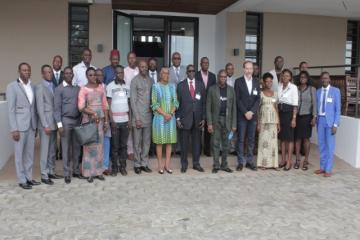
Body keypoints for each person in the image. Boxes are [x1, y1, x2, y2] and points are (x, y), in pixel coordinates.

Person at [6, 63, 39, 189]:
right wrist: (14, 129)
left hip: (31, 125)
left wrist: (35, 125)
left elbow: (33, 107)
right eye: (24, 70)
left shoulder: (32, 86)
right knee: (19, 154)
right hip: (19, 126)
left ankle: (29, 178)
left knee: (29, 154)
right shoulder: (12, 86)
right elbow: (11, 109)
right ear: (19, 71)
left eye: (28, 70)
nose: (27, 72)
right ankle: (21, 180)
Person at [78, 67, 109, 183]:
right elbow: (81, 107)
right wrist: (93, 113)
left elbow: (105, 105)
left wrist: (106, 121)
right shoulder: (83, 89)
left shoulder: (101, 88)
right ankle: (89, 173)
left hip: (100, 122)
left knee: (100, 147)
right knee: (89, 148)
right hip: (89, 122)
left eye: (94, 75)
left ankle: (99, 172)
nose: (93, 77)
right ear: (87, 76)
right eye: (90, 75)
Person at [54, 67, 82, 184]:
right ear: (63, 75)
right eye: (66, 73)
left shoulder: (77, 88)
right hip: (65, 121)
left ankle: (76, 170)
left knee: (76, 148)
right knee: (65, 148)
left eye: (71, 73)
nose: (69, 75)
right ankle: (67, 173)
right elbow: (56, 109)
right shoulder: (59, 89)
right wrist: (59, 125)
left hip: (77, 121)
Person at [176, 64, 206, 173]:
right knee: (184, 144)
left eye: (193, 71)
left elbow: (204, 103)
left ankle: (196, 164)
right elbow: (177, 104)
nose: (191, 72)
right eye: (189, 71)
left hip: (197, 119)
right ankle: (184, 164)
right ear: (186, 73)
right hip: (185, 119)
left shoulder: (201, 85)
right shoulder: (180, 86)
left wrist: (203, 118)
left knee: (196, 143)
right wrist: (178, 118)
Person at [36, 64, 62, 185]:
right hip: (45, 124)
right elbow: (40, 108)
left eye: (50, 72)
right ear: (42, 74)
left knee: (52, 150)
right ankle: (44, 174)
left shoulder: (54, 86)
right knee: (45, 150)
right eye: (46, 72)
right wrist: (45, 124)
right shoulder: (40, 87)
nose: (49, 74)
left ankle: (51, 171)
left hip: (54, 123)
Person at [206, 69, 237, 173]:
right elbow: (208, 107)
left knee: (227, 144)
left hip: (228, 121)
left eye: (224, 77)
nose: (223, 78)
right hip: (216, 120)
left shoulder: (231, 90)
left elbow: (234, 109)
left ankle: (224, 164)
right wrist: (209, 123)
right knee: (215, 143)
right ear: (218, 77)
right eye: (221, 77)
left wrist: (234, 124)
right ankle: (216, 165)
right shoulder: (212, 89)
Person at [151, 68, 178, 174]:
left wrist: (170, 114)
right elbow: (154, 103)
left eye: (168, 73)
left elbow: (175, 102)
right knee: (159, 142)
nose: (167, 75)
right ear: (160, 75)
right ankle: (160, 166)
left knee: (169, 142)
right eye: (165, 73)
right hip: (159, 118)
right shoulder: (155, 86)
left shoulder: (172, 86)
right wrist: (164, 114)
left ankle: (167, 165)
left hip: (170, 118)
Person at [234, 61, 260, 171]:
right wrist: (245, 112)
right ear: (244, 69)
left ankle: (249, 161)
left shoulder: (256, 82)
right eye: (247, 68)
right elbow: (237, 99)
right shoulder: (238, 82)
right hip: (242, 115)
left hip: (252, 116)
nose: (249, 71)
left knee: (251, 139)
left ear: (253, 70)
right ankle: (240, 162)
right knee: (240, 139)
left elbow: (258, 99)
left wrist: (252, 112)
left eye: (251, 69)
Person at [315, 72, 341, 177]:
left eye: (326, 78)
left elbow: (337, 109)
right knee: (321, 145)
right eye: (322, 78)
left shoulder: (335, 91)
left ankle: (328, 169)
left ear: (329, 79)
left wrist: (335, 124)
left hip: (330, 122)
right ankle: (322, 167)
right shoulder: (318, 91)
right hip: (320, 120)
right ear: (321, 80)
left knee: (330, 146)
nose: (324, 80)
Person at [106, 65, 130, 177]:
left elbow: (128, 103)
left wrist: (130, 119)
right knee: (115, 146)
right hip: (115, 121)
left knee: (123, 146)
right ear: (115, 74)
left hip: (125, 120)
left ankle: (123, 167)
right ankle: (114, 168)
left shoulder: (127, 86)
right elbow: (108, 105)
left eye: (122, 73)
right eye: (119, 73)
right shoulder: (110, 86)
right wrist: (112, 121)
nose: (121, 74)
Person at [130, 60, 153, 174]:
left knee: (146, 142)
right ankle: (137, 164)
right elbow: (133, 101)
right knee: (137, 142)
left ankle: (144, 163)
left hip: (148, 116)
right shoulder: (134, 81)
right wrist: (137, 118)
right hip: (138, 117)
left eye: (145, 67)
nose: (144, 68)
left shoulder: (151, 80)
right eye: (142, 67)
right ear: (138, 68)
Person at [256, 73, 280, 169]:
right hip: (263, 121)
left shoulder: (275, 94)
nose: (269, 83)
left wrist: (278, 123)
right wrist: (258, 123)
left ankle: (274, 164)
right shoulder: (260, 93)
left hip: (273, 121)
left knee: (273, 143)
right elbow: (257, 109)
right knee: (263, 142)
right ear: (264, 82)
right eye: (267, 81)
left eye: (271, 81)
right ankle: (264, 164)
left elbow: (276, 108)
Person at [294, 71, 317, 170]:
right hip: (297, 117)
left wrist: (314, 117)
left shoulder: (312, 89)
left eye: (304, 77)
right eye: (301, 77)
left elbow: (315, 104)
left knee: (306, 139)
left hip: (307, 117)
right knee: (298, 139)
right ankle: (298, 159)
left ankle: (306, 160)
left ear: (307, 79)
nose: (302, 78)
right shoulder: (295, 89)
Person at [278, 69, 298, 171]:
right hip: (280, 113)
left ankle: (289, 161)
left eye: (287, 76)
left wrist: (294, 119)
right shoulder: (279, 86)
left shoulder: (293, 87)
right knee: (282, 138)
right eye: (283, 75)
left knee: (289, 139)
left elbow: (295, 105)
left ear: (290, 77)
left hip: (289, 114)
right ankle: (283, 160)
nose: (285, 77)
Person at [196, 57, 216, 157]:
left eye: (207, 63)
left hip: (210, 106)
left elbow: (214, 90)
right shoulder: (196, 75)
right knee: (199, 129)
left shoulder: (213, 76)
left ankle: (207, 150)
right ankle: (198, 149)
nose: (205, 64)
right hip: (198, 105)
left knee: (208, 128)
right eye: (204, 63)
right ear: (200, 64)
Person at [96, 68, 111, 175]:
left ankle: (105, 166)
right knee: (95, 143)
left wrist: (107, 120)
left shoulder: (107, 87)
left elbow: (107, 105)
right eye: (97, 75)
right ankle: (96, 166)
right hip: (94, 120)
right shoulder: (90, 88)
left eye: (101, 75)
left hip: (105, 118)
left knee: (106, 142)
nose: (99, 77)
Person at [124, 51, 138, 160]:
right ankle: (130, 150)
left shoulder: (139, 70)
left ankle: (138, 149)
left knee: (138, 126)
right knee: (129, 127)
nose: (132, 60)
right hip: (128, 101)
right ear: (127, 59)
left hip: (139, 103)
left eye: (133, 58)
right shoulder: (124, 71)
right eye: (130, 58)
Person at [51, 55, 64, 161]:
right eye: (56, 61)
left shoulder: (65, 75)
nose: (57, 63)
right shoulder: (48, 74)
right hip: (51, 107)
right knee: (53, 132)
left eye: (59, 62)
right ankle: (54, 152)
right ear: (53, 62)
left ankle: (62, 153)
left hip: (62, 108)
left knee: (62, 131)